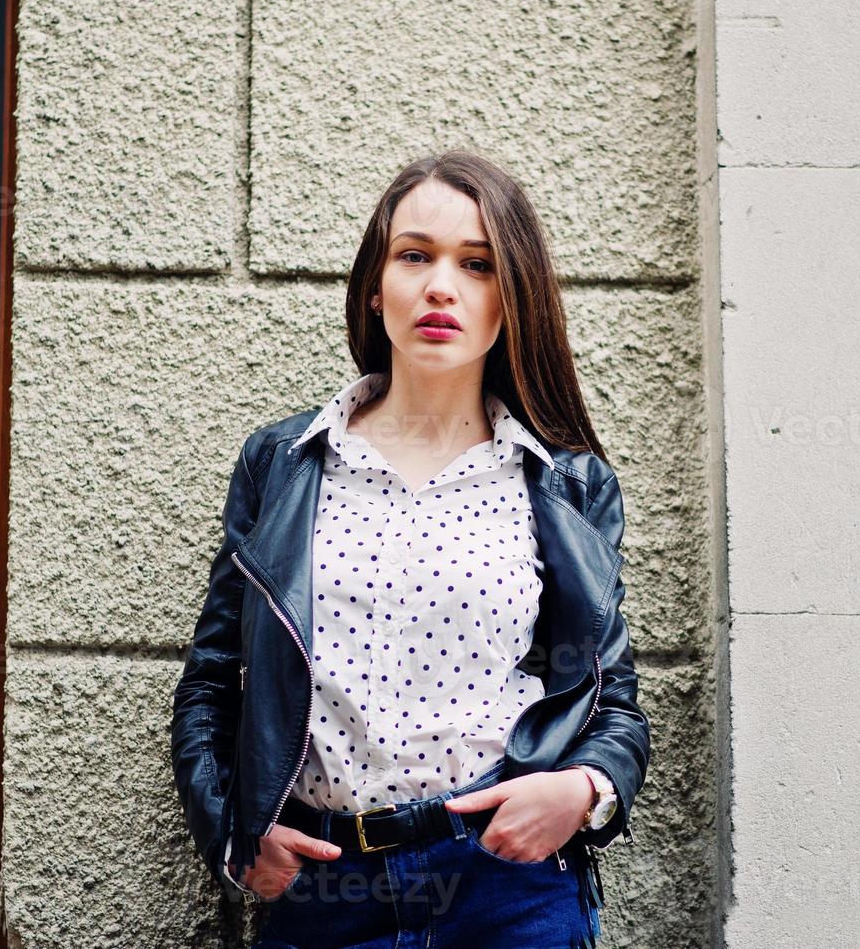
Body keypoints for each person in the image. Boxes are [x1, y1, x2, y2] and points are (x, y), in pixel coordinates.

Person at [170, 150, 650, 948]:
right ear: (374, 285)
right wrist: (232, 834)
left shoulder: (565, 483)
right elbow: (213, 683)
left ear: (513, 297)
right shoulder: (284, 463)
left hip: (506, 887)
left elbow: (613, 702)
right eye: (414, 256)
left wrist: (584, 788)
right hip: (323, 888)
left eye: (477, 265)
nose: (440, 287)